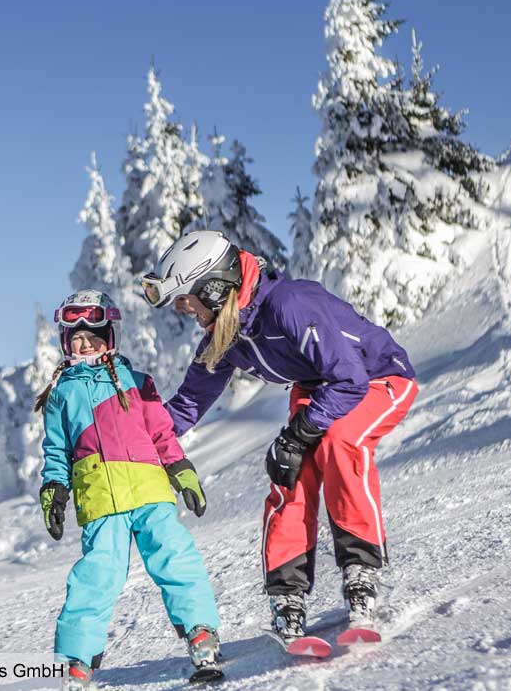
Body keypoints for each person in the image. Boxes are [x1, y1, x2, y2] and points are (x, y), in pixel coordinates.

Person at [140, 230, 417, 643]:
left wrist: (300, 431)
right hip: (319, 387)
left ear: (214, 289)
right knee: (291, 470)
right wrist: (135, 446)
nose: (186, 311)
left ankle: (361, 572)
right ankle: (288, 596)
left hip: (377, 377)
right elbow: (187, 405)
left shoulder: (289, 305)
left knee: (339, 441)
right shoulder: (227, 333)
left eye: (187, 300)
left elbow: (349, 379)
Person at [37, 289, 223, 689]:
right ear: (65, 342)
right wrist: (54, 487)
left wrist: (182, 470)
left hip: (149, 490)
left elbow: (162, 432)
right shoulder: (61, 394)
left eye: (94, 335)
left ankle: (201, 631)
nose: (85, 344)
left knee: (174, 556)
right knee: (95, 575)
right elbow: (56, 448)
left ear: (111, 336)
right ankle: (77, 658)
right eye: (77, 338)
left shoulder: (137, 382)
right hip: (100, 498)